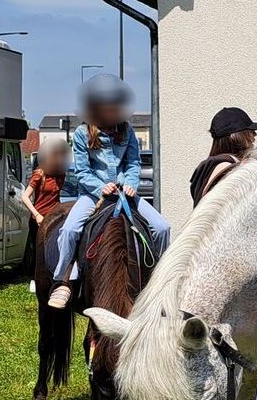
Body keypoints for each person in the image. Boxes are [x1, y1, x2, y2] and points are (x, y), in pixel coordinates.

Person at [47, 75, 171, 310]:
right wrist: (100, 187)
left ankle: (161, 281)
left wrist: (130, 181)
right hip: (94, 195)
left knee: (163, 227)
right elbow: (82, 171)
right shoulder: (84, 134)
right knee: (71, 228)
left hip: (125, 194)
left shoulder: (127, 131)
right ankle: (63, 281)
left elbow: (133, 163)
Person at [20, 139, 70, 291]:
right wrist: (36, 215)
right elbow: (25, 197)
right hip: (40, 216)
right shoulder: (39, 175)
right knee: (38, 248)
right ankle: (34, 278)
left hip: (55, 215)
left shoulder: (61, 174)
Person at [189, 107, 257, 205]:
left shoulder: (212, 165)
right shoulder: (226, 167)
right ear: (235, 136)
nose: (255, 134)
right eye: (250, 131)